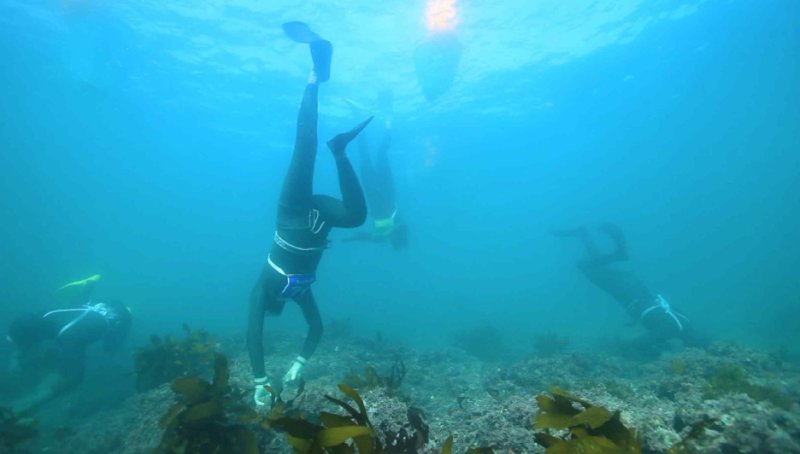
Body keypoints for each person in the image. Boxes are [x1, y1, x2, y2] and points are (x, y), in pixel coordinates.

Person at [247, 22, 370, 408]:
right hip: (318, 220)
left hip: (293, 212)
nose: (275, 308)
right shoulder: (298, 292)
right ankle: (341, 152)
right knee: (355, 217)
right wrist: (299, 365)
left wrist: (260, 381)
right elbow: (316, 328)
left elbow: (254, 335)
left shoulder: (262, 290)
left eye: (273, 309)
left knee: (304, 145)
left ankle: (315, 73)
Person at [552, 224, 705, 353]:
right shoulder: (672, 330)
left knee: (600, 267)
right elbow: (639, 343)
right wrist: (660, 351)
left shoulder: (686, 321)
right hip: (628, 294)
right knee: (583, 265)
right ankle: (618, 254)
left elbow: (662, 311)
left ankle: (583, 234)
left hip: (639, 287)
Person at [5, 275, 132, 414]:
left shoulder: (89, 309)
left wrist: (88, 287)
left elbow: (76, 376)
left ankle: (96, 291)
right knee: (70, 374)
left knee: (108, 348)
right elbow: (109, 347)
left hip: (107, 318)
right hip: (82, 322)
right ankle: (88, 288)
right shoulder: (121, 320)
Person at [344, 92, 408, 250]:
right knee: (381, 154)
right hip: (386, 188)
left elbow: (364, 236)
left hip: (371, 190)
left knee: (363, 153)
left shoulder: (380, 238)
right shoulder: (399, 226)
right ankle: (388, 121)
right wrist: (389, 232)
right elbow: (401, 227)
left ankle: (357, 114)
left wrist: (349, 239)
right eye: (394, 241)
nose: (390, 240)